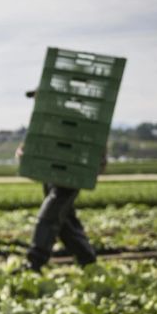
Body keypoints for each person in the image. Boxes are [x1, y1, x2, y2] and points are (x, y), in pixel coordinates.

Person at [16, 89, 101, 273]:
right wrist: (23, 153)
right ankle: (89, 263)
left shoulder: (71, 118)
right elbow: (30, 146)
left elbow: (93, 143)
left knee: (49, 215)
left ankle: (34, 263)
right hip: (52, 178)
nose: (36, 102)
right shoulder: (43, 121)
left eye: (39, 97)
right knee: (65, 222)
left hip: (69, 177)